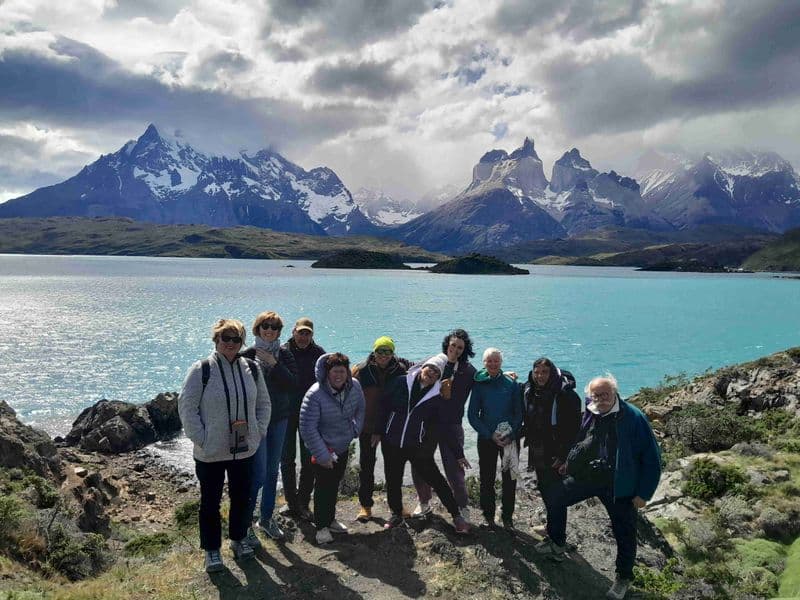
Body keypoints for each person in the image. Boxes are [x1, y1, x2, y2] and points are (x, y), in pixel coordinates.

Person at [534, 375, 661, 600]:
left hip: (620, 483)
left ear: (615, 393)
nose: (601, 399)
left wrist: (644, 493)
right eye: (596, 395)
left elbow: (652, 458)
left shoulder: (633, 417)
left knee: (624, 531)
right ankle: (557, 542)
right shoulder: (592, 411)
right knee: (556, 497)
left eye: (605, 394)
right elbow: (581, 437)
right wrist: (569, 461)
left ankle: (623, 578)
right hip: (592, 475)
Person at [178, 319, 270, 573]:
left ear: (242, 342)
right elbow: (187, 408)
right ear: (216, 340)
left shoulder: (251, 367)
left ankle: (239, 539)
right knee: (210, 502)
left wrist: (258, 432)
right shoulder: (202, 369)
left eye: (235, 339)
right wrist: (202, 439)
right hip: (211, 452)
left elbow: (263, 403)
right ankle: (212, 550)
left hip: (244, 448)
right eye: (225, 339)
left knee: (242, 497)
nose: (230, 344)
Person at [379, 355, 471, 534]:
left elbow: (444, 427)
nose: (432, 373)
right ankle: (396, 513)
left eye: (437, 372)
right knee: (393, 481)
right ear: (422, 367)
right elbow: (383, 407)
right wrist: (378, 432)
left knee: (436, 480)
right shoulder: (400, 382)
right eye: (430, 368)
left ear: (439, 377)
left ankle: (456, 515)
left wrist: (459, 453)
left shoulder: (437, 397)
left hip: (417, 447)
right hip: (392, 443)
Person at [241, 311, 298, 544]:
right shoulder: (247, 354)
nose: (270, 330)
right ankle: (245, 524)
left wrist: (274, 364)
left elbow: (293, 383)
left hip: (279, 419)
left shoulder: (284, 354)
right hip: (255, 421)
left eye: (275, 327)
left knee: (272, 472)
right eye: (266, 326)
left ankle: (266, 519)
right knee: (257, 473)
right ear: (257, 328)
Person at [299, 353, 365, 544]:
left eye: (342, 371)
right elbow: (307, 427)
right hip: (323, 449)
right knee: (323, 487)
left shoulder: (355, 386)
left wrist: (355, 430)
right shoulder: (315, 394)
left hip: (342, 446)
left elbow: (361, 408)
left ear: (347, 372)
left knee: (334, 485)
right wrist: (322, 454)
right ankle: (321, 528)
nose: (338, 375)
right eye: (334, 371)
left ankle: (330, 519)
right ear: (327, 372)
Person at [412, 329, 476, 521]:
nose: (455, 350)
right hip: (427, 424)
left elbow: (485, 380)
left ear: (465, 350)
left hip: (451, 425)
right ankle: (423, 502)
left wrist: (503, 374)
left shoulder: (468, 371)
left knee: (455, 469)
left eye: (460, 348)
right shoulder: (434, 363)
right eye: (453, 345)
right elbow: (411, 372)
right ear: (447, 344)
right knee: (421, 465)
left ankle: (462, 507)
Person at [351, 336, 410, 522]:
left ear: (393, 353)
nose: (384, 355)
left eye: (388, 351)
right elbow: (351, 398)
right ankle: (365, 506)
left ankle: (396, 507)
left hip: (392, 426)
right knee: (366, 466)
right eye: (380, 351)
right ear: (374, 352)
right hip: (367, 426)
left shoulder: (400, 370)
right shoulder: (360, 371)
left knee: (394, 468)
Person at [522, 357, 581, 536]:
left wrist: (564, 456)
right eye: (536, 372)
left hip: (556, 453)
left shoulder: (566, 394)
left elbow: (575, 429)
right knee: (544, 489)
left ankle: (557, 538)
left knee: (556, 495)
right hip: (538, 449)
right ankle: (551, 528)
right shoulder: (531, 390)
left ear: (552, 372)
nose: (540, 376)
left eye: (544, 372)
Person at [467, 348, 524, 529]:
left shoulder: (512, 383)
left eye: (496, 361)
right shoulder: (479, 384)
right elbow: (472, 415)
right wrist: (489, 434)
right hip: (487, 439)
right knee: (487, 478)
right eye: (489, 361)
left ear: (501, 362)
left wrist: (510, 433)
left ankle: (507, 517)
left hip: (509, 439)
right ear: (484, 363)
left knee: (510, 479)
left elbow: (519, 413)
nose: (492, 364)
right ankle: (488, 515)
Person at [280, 317, 325, 520]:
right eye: (301, 332)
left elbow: (328, 383)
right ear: (293, 332)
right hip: (285, 414)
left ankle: (303, 502)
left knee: (309, 462)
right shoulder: (281, 352)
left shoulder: (320, 355)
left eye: (307, 333)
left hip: (310, 416)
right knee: (287, 460)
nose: (304, 337)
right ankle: (291, 503)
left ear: (312, 335)